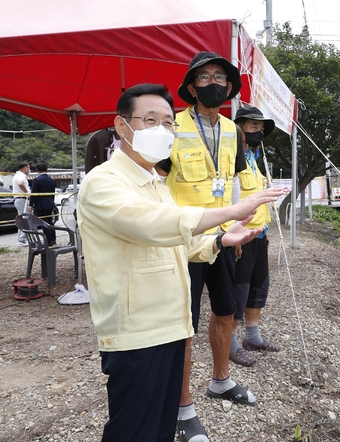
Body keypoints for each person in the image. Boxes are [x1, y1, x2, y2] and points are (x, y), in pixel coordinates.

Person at [77, 83, 283, 442]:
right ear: (122, 126)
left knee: (159, 426)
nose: (162, 130)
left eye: (169, 123)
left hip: (172, 326)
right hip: (137, 331)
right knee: (133, 429)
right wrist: (232, 209)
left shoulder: (157, 183)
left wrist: (219, 239)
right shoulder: (104, 182)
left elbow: (177, 242)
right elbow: (152, 226)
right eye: (150, 120)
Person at [158, 51, 250, 442]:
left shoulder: (233, 130)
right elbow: (157, 184)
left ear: (229, 87)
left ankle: (220, 380)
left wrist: (238, 227)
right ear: (192, 86)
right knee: (185, 325)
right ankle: (182, 408)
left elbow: (232, 183)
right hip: (185, 240)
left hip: (224, 238)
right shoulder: (170, 127)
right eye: (204, 76)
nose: (213, 82)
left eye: (220, 77)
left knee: (227, 313)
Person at [229, 105, 280, 368]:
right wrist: (232, 234)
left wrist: (266, 231)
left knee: (258, 287)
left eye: (261, 129)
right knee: (238, 289)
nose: (258, 132)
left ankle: (252, 336)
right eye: (253, 127)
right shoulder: (231, 157)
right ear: (239, 128)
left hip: (260, 234)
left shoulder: (253, 158)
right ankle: (231, 342)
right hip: (241, 235)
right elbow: (228, 197)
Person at [29, 163, 57, 246]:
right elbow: (53, 193)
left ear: (37, 170)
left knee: (44, 223)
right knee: (50, 222)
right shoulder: (52, 180)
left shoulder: (37, 180)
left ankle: (48, 241)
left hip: (41, 204)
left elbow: (34, 193)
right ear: (47, 169)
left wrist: (31, 205)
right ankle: (53, 239)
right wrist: (52, 203)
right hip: (50, 203)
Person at [12, 161, 30, 246]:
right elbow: (20, 183)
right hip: (22, 199)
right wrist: (26, 192)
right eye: (28, 168)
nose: (28, 170)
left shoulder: (18, 175)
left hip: (20, 199)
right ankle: (22, 240)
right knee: (24, 219)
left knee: (23, 219)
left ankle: (23, 239)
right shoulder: (20, 175)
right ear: (25, 168)